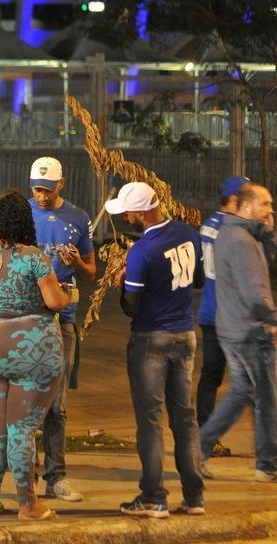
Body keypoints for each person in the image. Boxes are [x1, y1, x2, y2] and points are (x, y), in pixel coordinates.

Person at [0, 191, 78, 521]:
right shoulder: (33, 257)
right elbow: (53, 302)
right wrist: (70, 294)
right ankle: (28, 503)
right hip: (28, 345)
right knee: (22, 428)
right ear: (24, 221)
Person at [105, 181, 205, 518]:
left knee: (150, 421)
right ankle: (194, 496)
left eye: (128, 212)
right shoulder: (188, 233)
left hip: (151, 339)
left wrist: (122, 283)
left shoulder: (142, 251)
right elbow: (200, 279)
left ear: (143, 211)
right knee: (185, 419)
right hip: (185, 335)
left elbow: (131, 307)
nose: (126, 218)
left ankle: (153, 497)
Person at [199, 183, 277, 485]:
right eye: (265, 204)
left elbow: (260, 266)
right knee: (268, 399)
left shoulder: (231, 234)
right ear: (245, 207)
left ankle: (197, 451)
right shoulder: (242, 241)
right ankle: (267, 465)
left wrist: (268, 234)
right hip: (250, 331)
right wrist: (276, 318)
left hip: (230, 328)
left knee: (242, 392)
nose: (271, 209)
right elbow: (254, 291)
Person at [28, 156, 96, 502]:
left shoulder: (78, 218)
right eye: (37, 189)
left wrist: (76, 263)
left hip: (62, 321)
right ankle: (28, 478)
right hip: (26, 318)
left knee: (57, 405)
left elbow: (91, 271)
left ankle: (57, 477)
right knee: (26, 403)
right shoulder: (21, 214)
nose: (41, 196)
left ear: (61, 185)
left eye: (47, 190)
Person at [196, 175, 251, 459]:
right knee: (250, 378)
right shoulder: (236, 229)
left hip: (209, 311)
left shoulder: (208, 224)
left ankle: (206, 434)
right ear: (234, 200)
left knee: (212, 376)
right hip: (232, 314)